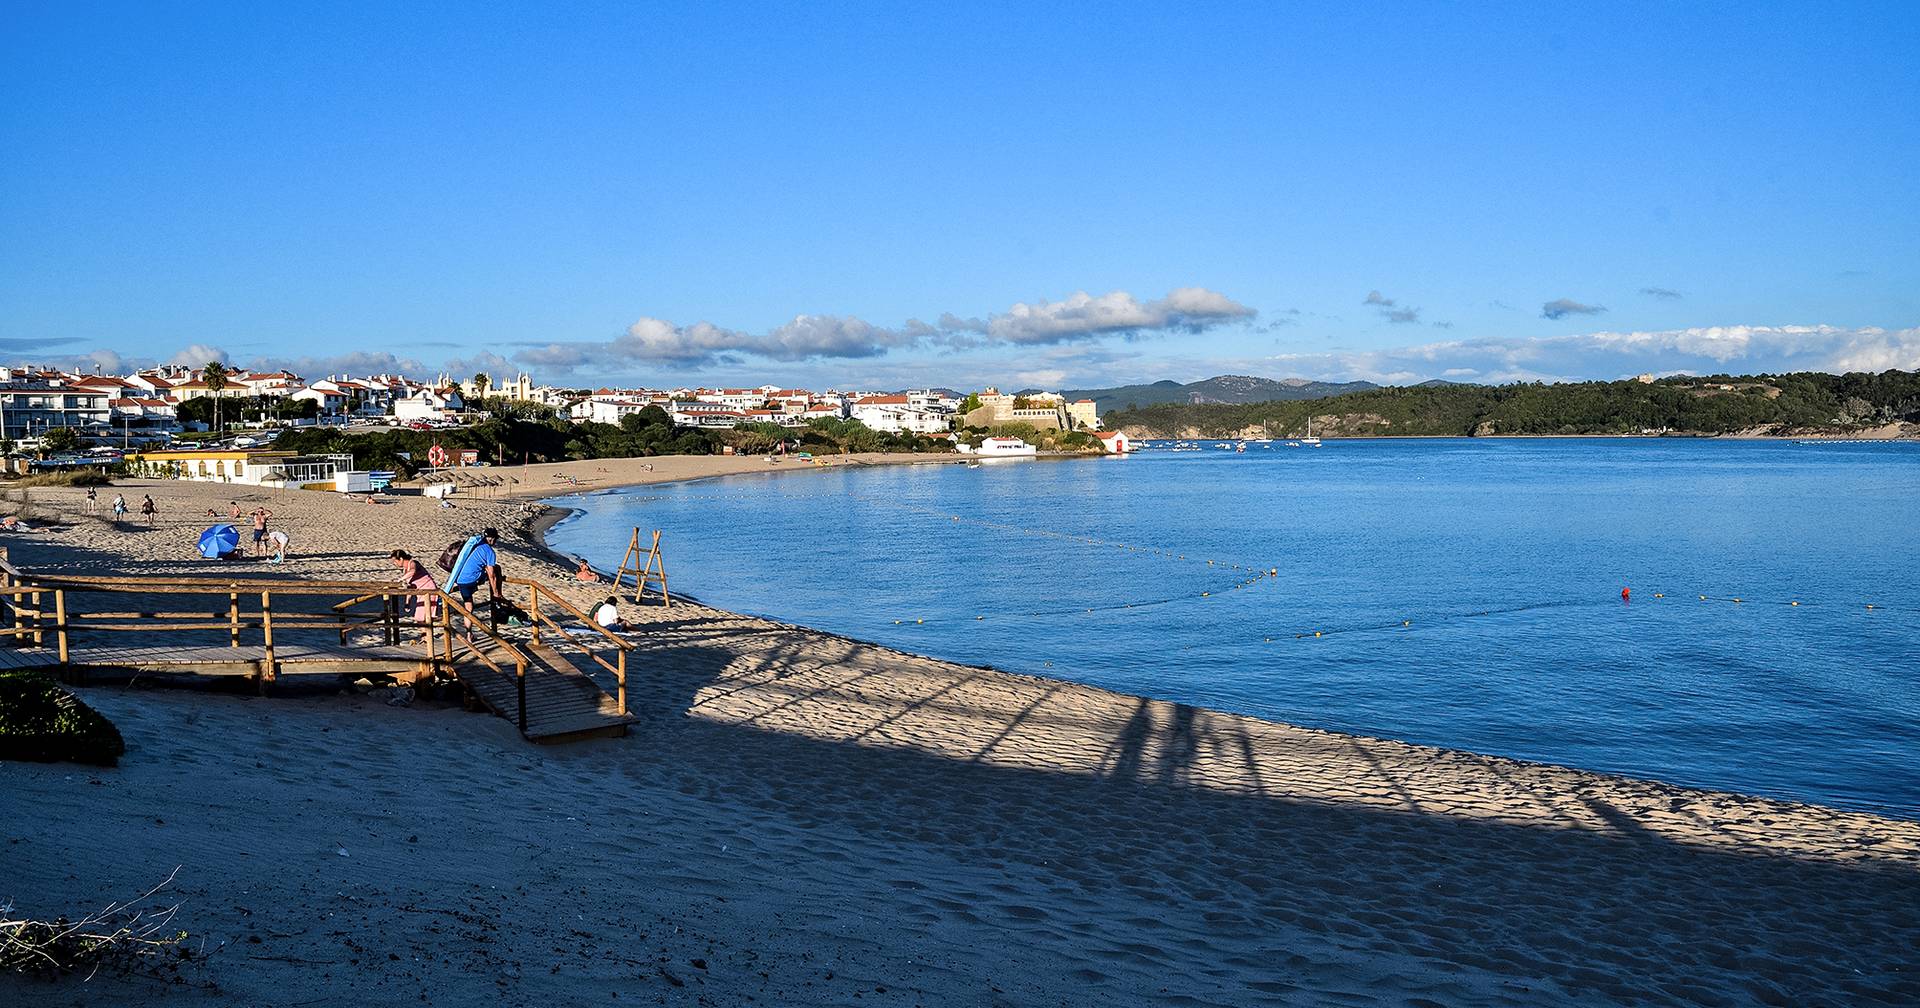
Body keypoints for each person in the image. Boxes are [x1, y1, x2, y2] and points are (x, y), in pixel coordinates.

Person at [448, 527, 501, 609]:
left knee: (468, 606)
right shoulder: (490, 552)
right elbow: (492, 576)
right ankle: (498, 595)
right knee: (496, 570)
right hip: (470, 580)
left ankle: (448, 592)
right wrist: (495, 592)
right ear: (492, 539)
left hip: (459, 579)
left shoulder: (473, 544)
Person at [390, 549, 439, 628]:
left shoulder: (413, 563)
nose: (394, 564)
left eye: (395, 561)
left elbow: (413, 571)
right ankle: (425, 638)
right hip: (420, 594)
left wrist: (400, 579)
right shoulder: (405, 570)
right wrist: (407, 602)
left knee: (423, 618)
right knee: (420, 618)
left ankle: (426, 638)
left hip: (429, 590)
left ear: (401, 559)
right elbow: (410, 587)